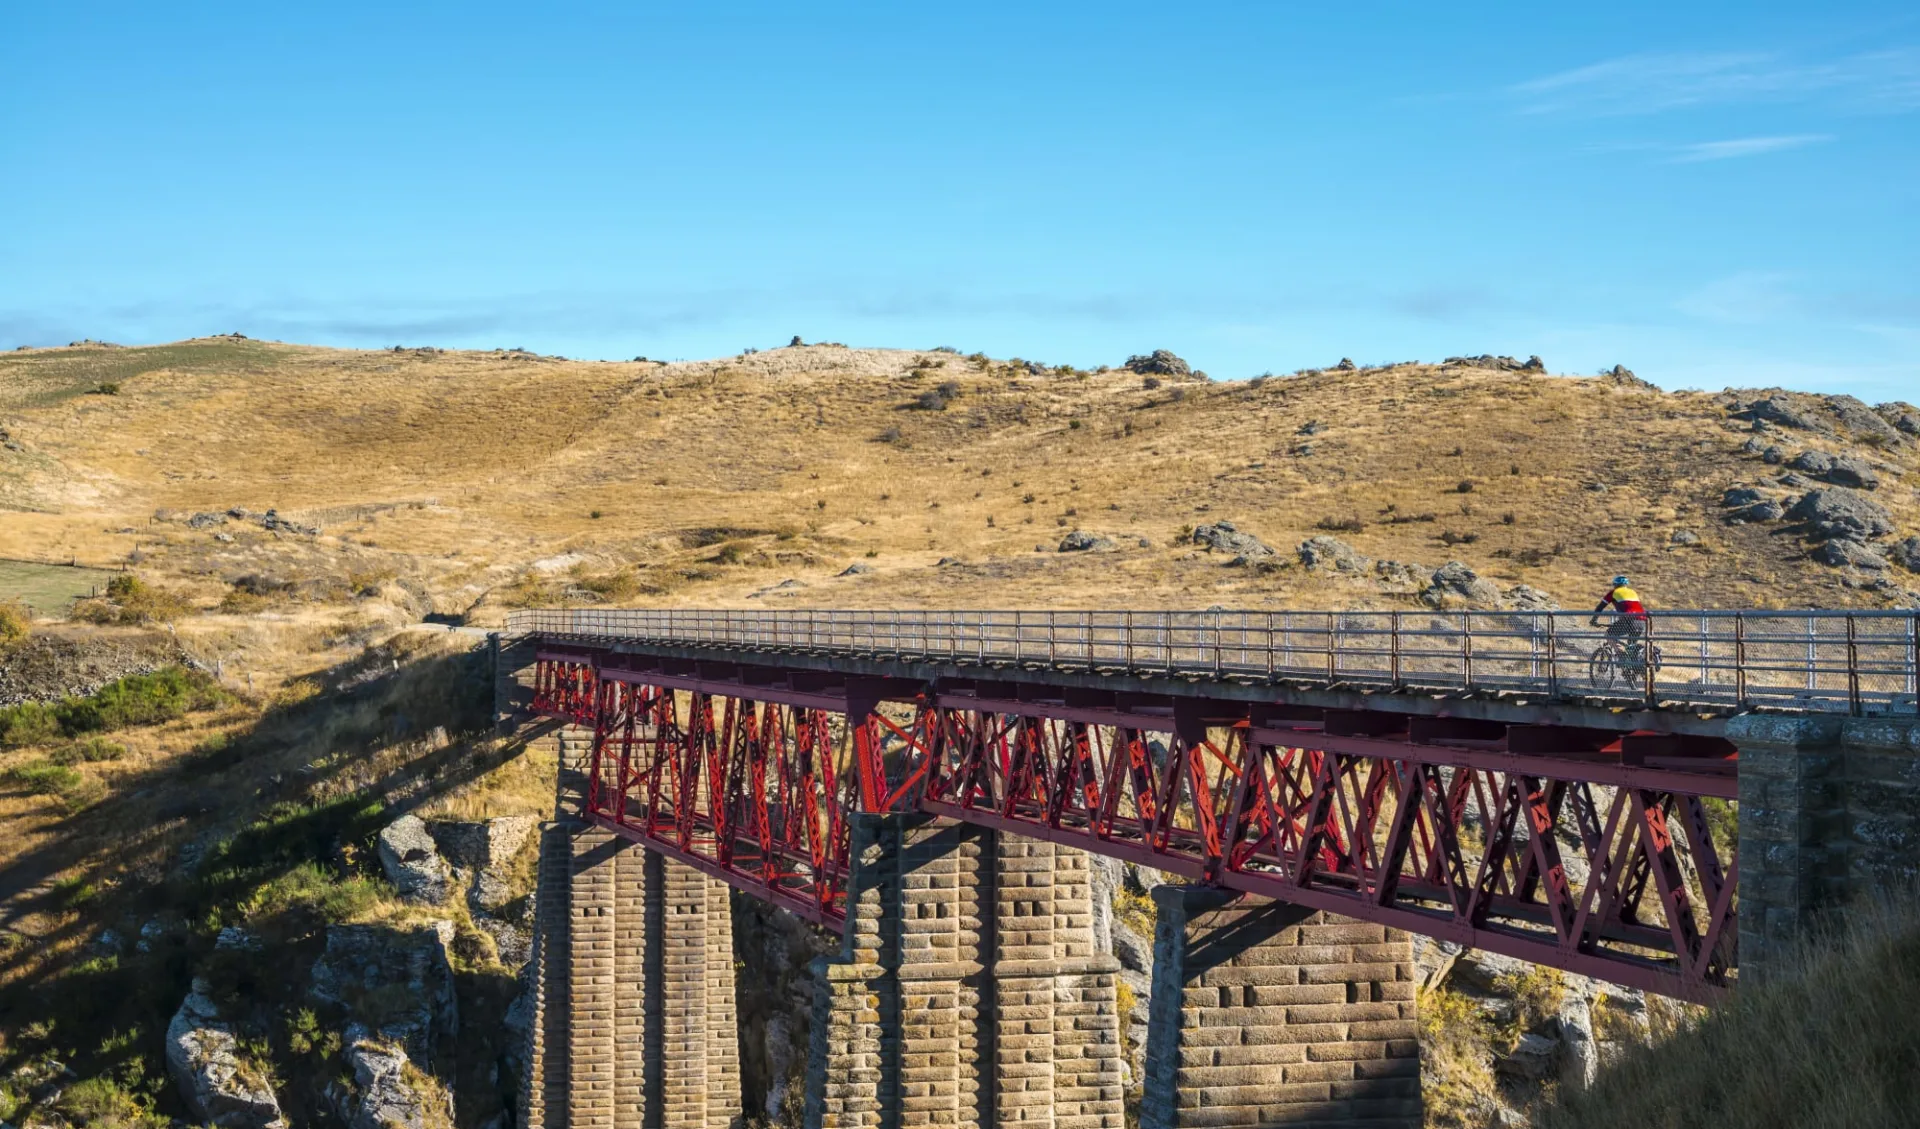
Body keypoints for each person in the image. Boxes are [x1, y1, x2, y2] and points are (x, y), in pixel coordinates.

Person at [1591, 575, 1650, 662]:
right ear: (1626, 584)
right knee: (1631, 646)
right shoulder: (1633, 592)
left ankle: (1620, 653)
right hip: (1641, 621)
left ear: (1615, 584)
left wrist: (1594, 620)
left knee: (1609, 635)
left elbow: (1600, 607)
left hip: (1628, 620)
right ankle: (1631, 669)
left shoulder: (1613, 592)